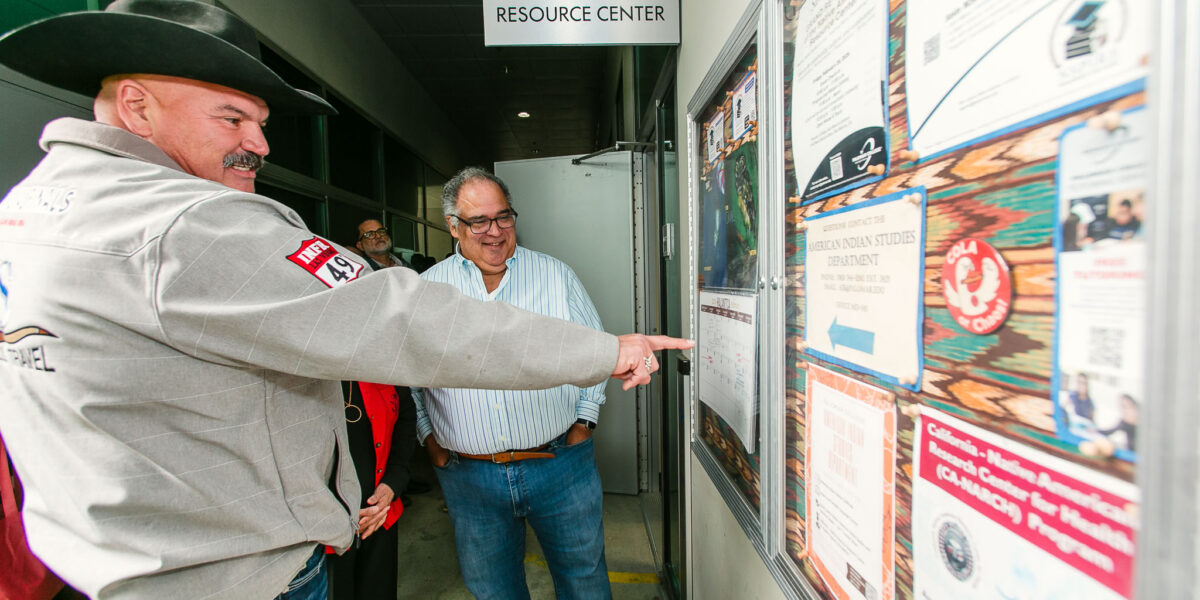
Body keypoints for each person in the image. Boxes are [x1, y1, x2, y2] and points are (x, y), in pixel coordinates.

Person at [0, 3, 691, 599]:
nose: (260, 144)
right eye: (233, 117)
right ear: (137, 106)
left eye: (261, 122)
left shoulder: (28, 211)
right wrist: (608, 351)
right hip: (231, 572)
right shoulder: (191, 223)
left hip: (122, 562)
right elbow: (399, 320)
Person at [412, 167, 613, 599]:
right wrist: (430, 439)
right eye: (478, 221)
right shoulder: (426, 292)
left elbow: (596, 350)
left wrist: (585, 421)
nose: (495, 232)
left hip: (560, 465)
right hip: (470, 477)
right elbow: (408, 379)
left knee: (585, 583)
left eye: (504, 217)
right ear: (452, 226)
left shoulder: (555, 277)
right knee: (494, 591)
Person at [324, 218, 425, 600]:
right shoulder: (308, 368)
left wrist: (392, 487)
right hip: (330, 523)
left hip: (381, 509)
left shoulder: (381, 357)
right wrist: (340, 512)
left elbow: (405, 419)